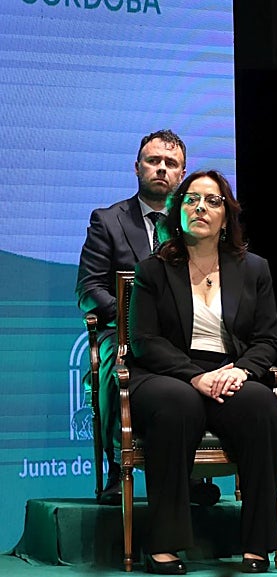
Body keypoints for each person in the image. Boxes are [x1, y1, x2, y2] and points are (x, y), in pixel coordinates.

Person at [128, 171, 277, 575]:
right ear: (177, 211)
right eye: (191, 200)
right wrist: (193, 376)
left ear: (226, 215)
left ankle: (257, 543)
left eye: (212, 201)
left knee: (262, 407)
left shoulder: (254, 269)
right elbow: (144, 340)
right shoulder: (152, 270)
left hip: (229, 370)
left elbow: (267, 340)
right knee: (177, 404)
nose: (201, 208)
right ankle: (165, 544)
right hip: (165, 372)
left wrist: (243, 372)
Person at [76, 129, 210, 505]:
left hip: (184, 337)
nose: (161, 169)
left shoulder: (197, 226)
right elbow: (89, 289)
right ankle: (120, 470)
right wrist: (134, 320)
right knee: (111, 364)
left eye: (171, 164)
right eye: (154, 162)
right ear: (137, 168)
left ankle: (193, 474)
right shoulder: (108, 221)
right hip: (122, 334)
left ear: (182, 175)